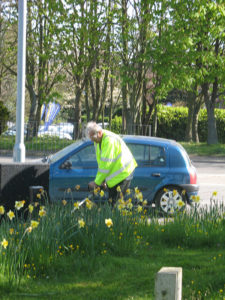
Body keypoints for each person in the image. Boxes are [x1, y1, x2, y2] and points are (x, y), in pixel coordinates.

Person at [86, 121, 137, 205]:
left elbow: (106, 164)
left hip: (123, 173)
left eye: (93, 139)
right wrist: (102, 180)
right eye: (91, 139)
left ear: (99, 133)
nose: (93, 141)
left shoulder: (109, 141)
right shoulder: (98, 141)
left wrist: (97, 183)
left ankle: (117, 217)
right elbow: (101, 162)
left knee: (115, 204)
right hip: (117, 173)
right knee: (112, 203)